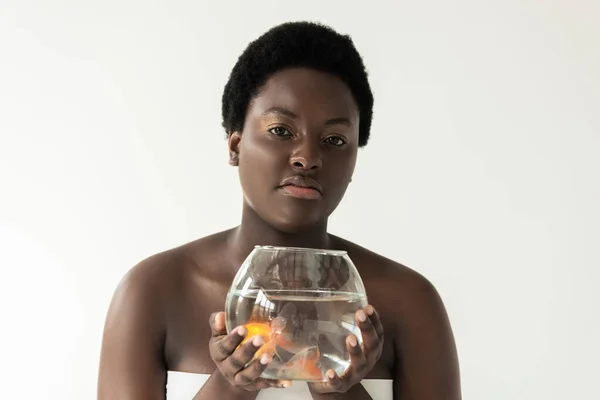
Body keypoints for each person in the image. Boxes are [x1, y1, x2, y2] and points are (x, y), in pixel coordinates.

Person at [98, 21, 461, 400]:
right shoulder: (153, 292)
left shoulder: (409, 302)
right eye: (281, 131)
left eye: (334, 140)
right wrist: (231, 385)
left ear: (354, 161)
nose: (307, 157)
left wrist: (340, 392)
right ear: (235, 145)